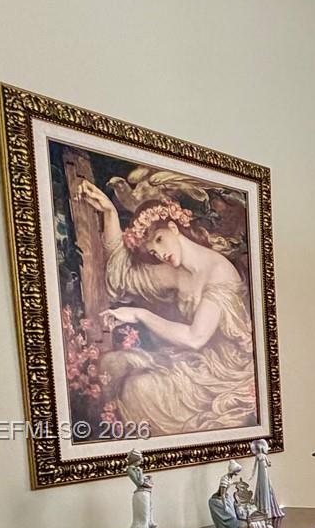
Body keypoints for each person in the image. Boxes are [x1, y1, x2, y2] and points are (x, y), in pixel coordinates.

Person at [72, 178, 258, 435]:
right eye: (153, 250)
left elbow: (195, 338)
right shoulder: (175, 270)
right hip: (193, 362)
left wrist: (140, 314)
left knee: (138, 389)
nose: (159, 253)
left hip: (223, 373)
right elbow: (125, 277)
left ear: (173, 227)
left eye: (160, 240)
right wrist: (110, 213)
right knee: (112, 364)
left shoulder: (220, 272)